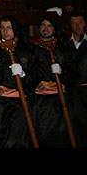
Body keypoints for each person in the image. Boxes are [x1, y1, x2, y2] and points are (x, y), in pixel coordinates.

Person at [0, 15, 42, 148]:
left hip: (19, 102)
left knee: (17, 139)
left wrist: (23, 74)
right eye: (3, 28)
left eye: (9, 28)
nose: (5, 31)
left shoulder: (26, 50)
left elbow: (36, 74)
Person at [30, 13, 76, 147]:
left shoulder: (63, 47)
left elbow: (73, 70)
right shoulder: (33, 48)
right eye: (43, 25)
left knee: (60, 134)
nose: (46, 29)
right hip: (40, 101)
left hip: (59, 100)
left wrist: (63, 73)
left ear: (54, 29)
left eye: (49, 26)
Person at [67, 10, 87, 147]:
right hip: (73, 93)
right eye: (73, 23)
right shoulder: (65, 45)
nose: (77, 26)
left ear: (85, 24)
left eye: (80, 22)